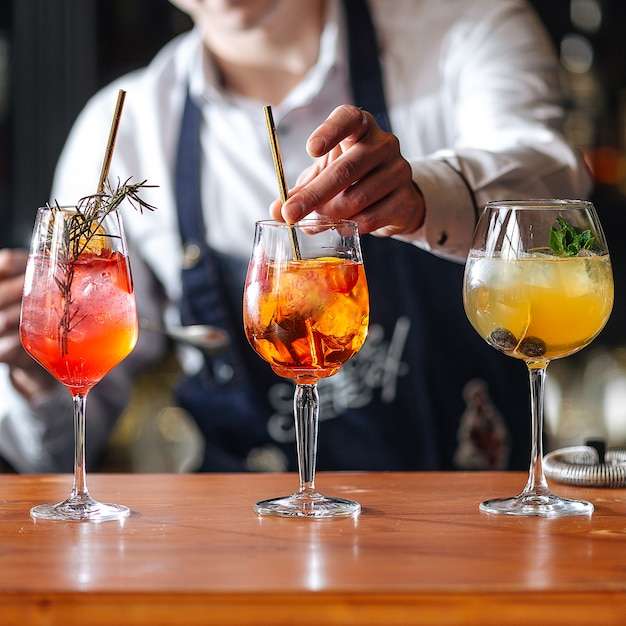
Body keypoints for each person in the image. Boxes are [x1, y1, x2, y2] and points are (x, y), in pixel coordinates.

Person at [0, 0, 590, 473]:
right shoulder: (125, 129)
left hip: (469, 533)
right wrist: (32, 372)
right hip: (244, 553)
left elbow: (558, 192)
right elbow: (48, 455)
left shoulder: (470, 26)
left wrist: (422, 198)